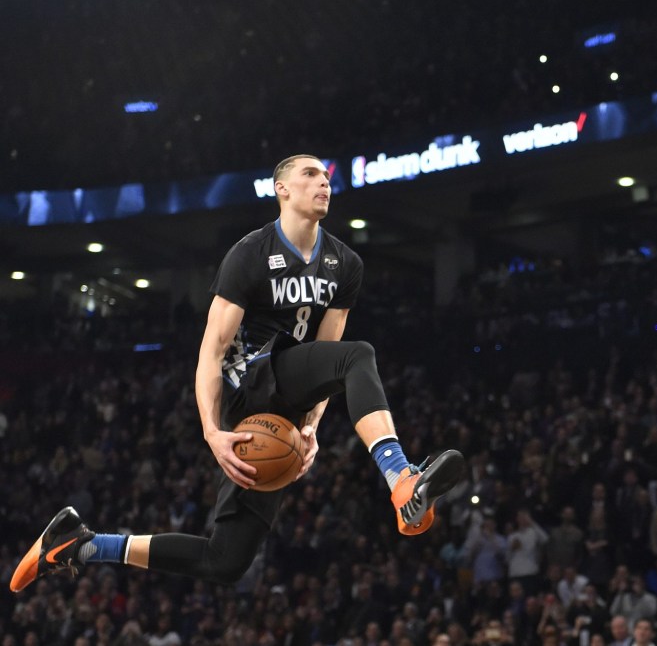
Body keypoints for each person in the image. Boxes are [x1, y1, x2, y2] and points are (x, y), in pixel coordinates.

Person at [10, 154, 465, 593]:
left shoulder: (346, 264)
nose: (324, 181)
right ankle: (399, 476)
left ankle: (80, 546)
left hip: (285, 398)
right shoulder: (250, 253)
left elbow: (325, 355)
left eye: (326, 175)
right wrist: (211, 430)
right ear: (281, 189)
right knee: (359, 354)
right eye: (311, 174)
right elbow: (212, 351)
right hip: (248, 383)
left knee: (225, 560)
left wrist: (310, 428)